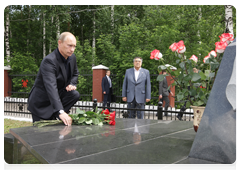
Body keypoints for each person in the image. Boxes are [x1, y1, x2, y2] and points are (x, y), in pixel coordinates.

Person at [27, 32, 80, 126]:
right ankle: (59, 113)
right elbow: (51, 87)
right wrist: (61, 111)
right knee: (41, 136)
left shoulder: (72, 58)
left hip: (57, 99)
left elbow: (75, 74)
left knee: (74, 94)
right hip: (42, 103)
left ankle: (57, 114)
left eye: (74, 46)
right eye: (69, 45)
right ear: (60, 43)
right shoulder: (49, 61)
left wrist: (72, 83)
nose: (72, 49)